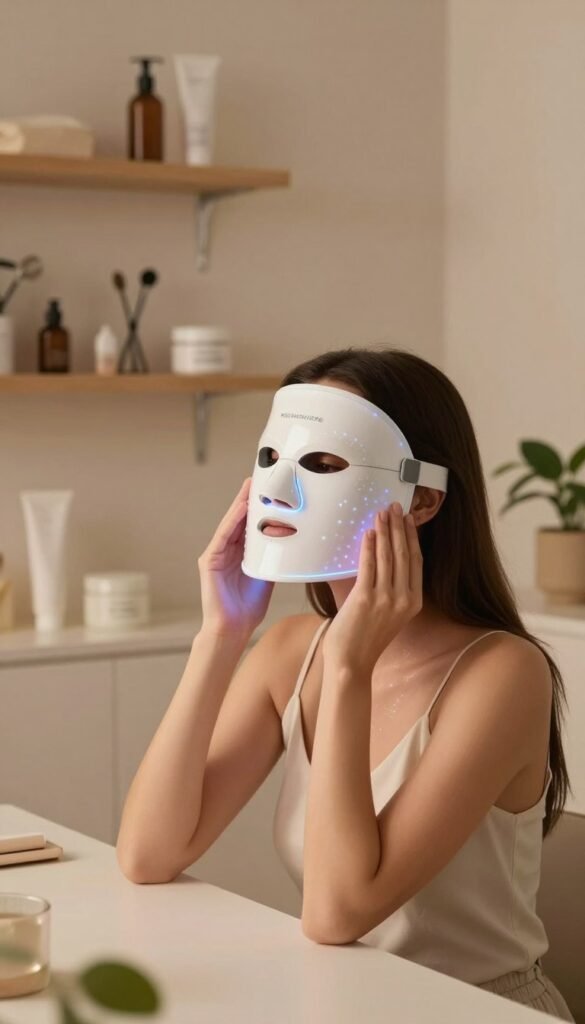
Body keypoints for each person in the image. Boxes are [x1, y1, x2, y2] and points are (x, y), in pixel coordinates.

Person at [117, 348, 575, 1021]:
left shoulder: (501, 675)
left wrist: (350, 668)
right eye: (270, 459)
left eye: (323, 464)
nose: (280, 488)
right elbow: (148, 854)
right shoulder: (290, 651)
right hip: (347, 1004)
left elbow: (336, 912)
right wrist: (221, 636)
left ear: (420, 498)